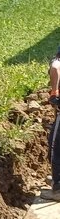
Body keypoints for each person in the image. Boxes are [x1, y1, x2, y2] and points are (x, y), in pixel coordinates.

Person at [46, 49, 60, 201]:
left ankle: (58, 189)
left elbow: (56, 67)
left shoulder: (58, 60)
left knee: (56, 147)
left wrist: (54, 93)